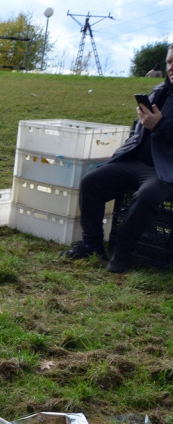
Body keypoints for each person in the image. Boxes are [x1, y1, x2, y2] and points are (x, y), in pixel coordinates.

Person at [64, 44, 173, 272]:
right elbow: (138, 130)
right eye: (170, 62)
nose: (172, 67)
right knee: (91, 181)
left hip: (165, 170)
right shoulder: (159, 91)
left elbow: (161, 129)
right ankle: (92, 244)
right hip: (134, 161)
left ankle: (122, 252)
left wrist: (160, 126)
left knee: (146, 196)